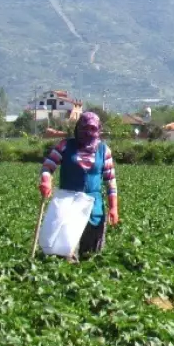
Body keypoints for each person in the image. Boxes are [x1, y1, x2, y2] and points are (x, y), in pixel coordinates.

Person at [38, 111, 119, 259]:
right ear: (78, 128)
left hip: (94, 207)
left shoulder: (103, 150)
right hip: (68, 205)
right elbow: (48, 166)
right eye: (85, 128)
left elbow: (110, 181)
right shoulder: (65, 146)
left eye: (93, 129)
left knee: (91, 254)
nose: (88, 132)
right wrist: (46, 180)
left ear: (98, 129)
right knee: (65, 250)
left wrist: (113, 207)